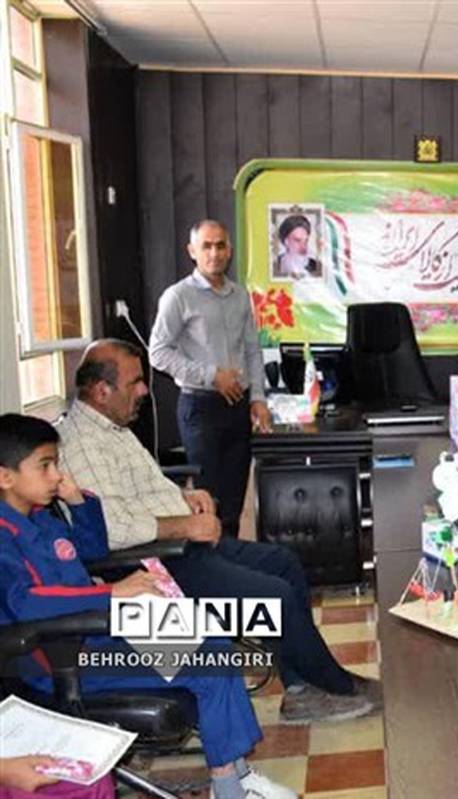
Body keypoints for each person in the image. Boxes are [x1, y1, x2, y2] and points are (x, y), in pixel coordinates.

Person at [56, 339, 379, 725]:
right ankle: (335, 685)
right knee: (272, 595)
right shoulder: (82, 446)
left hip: (177, 546)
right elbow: (111, 528)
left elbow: (140, 494)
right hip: (149, 565)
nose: (144, 390)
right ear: (101, 390)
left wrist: (184, 496)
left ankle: (302, 688)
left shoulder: (113, 428)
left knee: (284, 562)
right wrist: (185, 524)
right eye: (135, 383)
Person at [0, 414, 295, 799]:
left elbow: (92, 550)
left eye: (56, 463)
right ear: (5, 476)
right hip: (64, 658)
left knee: (213, 642)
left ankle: (238, 774)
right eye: (45, 466)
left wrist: (77, 501)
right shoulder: (5, 536)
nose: (57, 475)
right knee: (208, 666)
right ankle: (229, 786)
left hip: (101, 631)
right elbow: (24, 602)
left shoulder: (41, 518)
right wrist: (111, 593)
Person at [148, 219, 272, 538]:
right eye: (206, 246)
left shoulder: (239, 296)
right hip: (200, 408)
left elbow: (252, 350)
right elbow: (157, 353)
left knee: (233, 503)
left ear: (229, 251)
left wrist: (258, 398)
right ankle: (212, 561)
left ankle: (232, 556)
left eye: (220, 246)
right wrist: (211, 376)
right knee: (209, 500)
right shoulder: (178, 296)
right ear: (192, 251)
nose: (214, 253)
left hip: (238, 408)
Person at [273, 215, 321, 280]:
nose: (303, 246)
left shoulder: (315, 265)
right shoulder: (274, 265)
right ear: (286, 241)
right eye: (297, 240)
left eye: (306, 240)